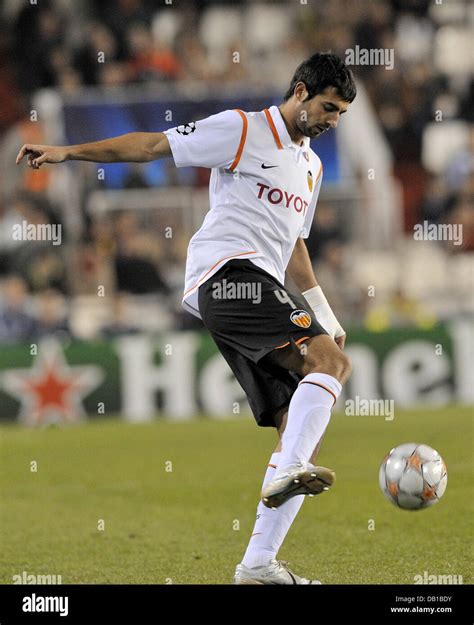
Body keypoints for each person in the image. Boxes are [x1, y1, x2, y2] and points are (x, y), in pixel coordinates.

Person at [16, 52, 356, 585]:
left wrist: (325, 313)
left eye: (340, 115)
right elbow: (152, 145)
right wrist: (67, 152)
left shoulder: (310, 167)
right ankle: (288, 475)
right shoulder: (243, 130)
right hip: (226, 273)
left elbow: (294, 245)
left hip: (252, 287)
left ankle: (257, 566)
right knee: (332, 365)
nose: (333, 121)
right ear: (300, 91)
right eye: (329, 107)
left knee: (295, 423)